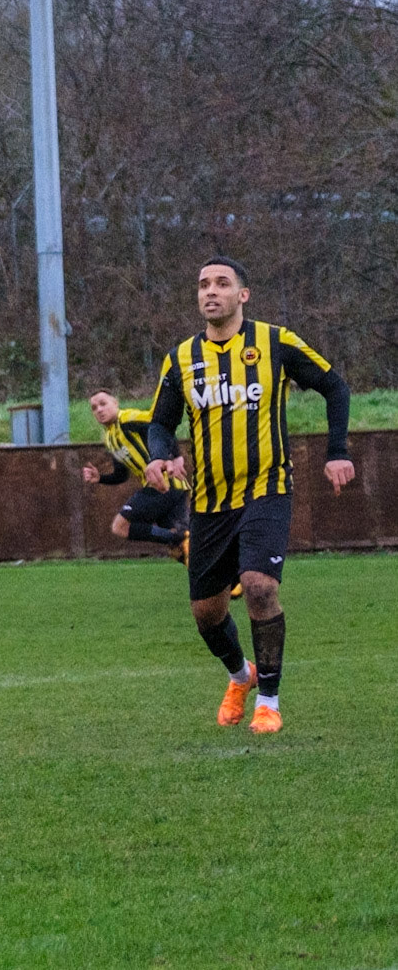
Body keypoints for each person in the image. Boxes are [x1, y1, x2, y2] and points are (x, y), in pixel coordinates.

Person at [144, 256, 354, 735]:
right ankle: (241, 676)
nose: (210, 291)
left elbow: (334, 386)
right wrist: (161, 456)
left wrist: (337, 451)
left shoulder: (275, 342)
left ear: (243, 294)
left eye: (222, 283)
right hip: (209, 500)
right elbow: (160, 422)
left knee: (259, 587)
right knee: (207, 612)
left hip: (267, 488)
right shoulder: (180, 359)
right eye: (202, 284)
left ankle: (270, 701)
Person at [81, 390, 189, 561]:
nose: (99, 410)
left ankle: (179, 537)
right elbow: (121, 474)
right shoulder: (110, 438)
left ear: (115, 403)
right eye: (94, 408)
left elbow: (160, 426)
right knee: (184, 551)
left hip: (164, 484)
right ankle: (229, 583)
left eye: (103, 403)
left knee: (120, 526)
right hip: (169, 489)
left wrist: (176, 456)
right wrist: (100, 478)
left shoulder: (128, 419)